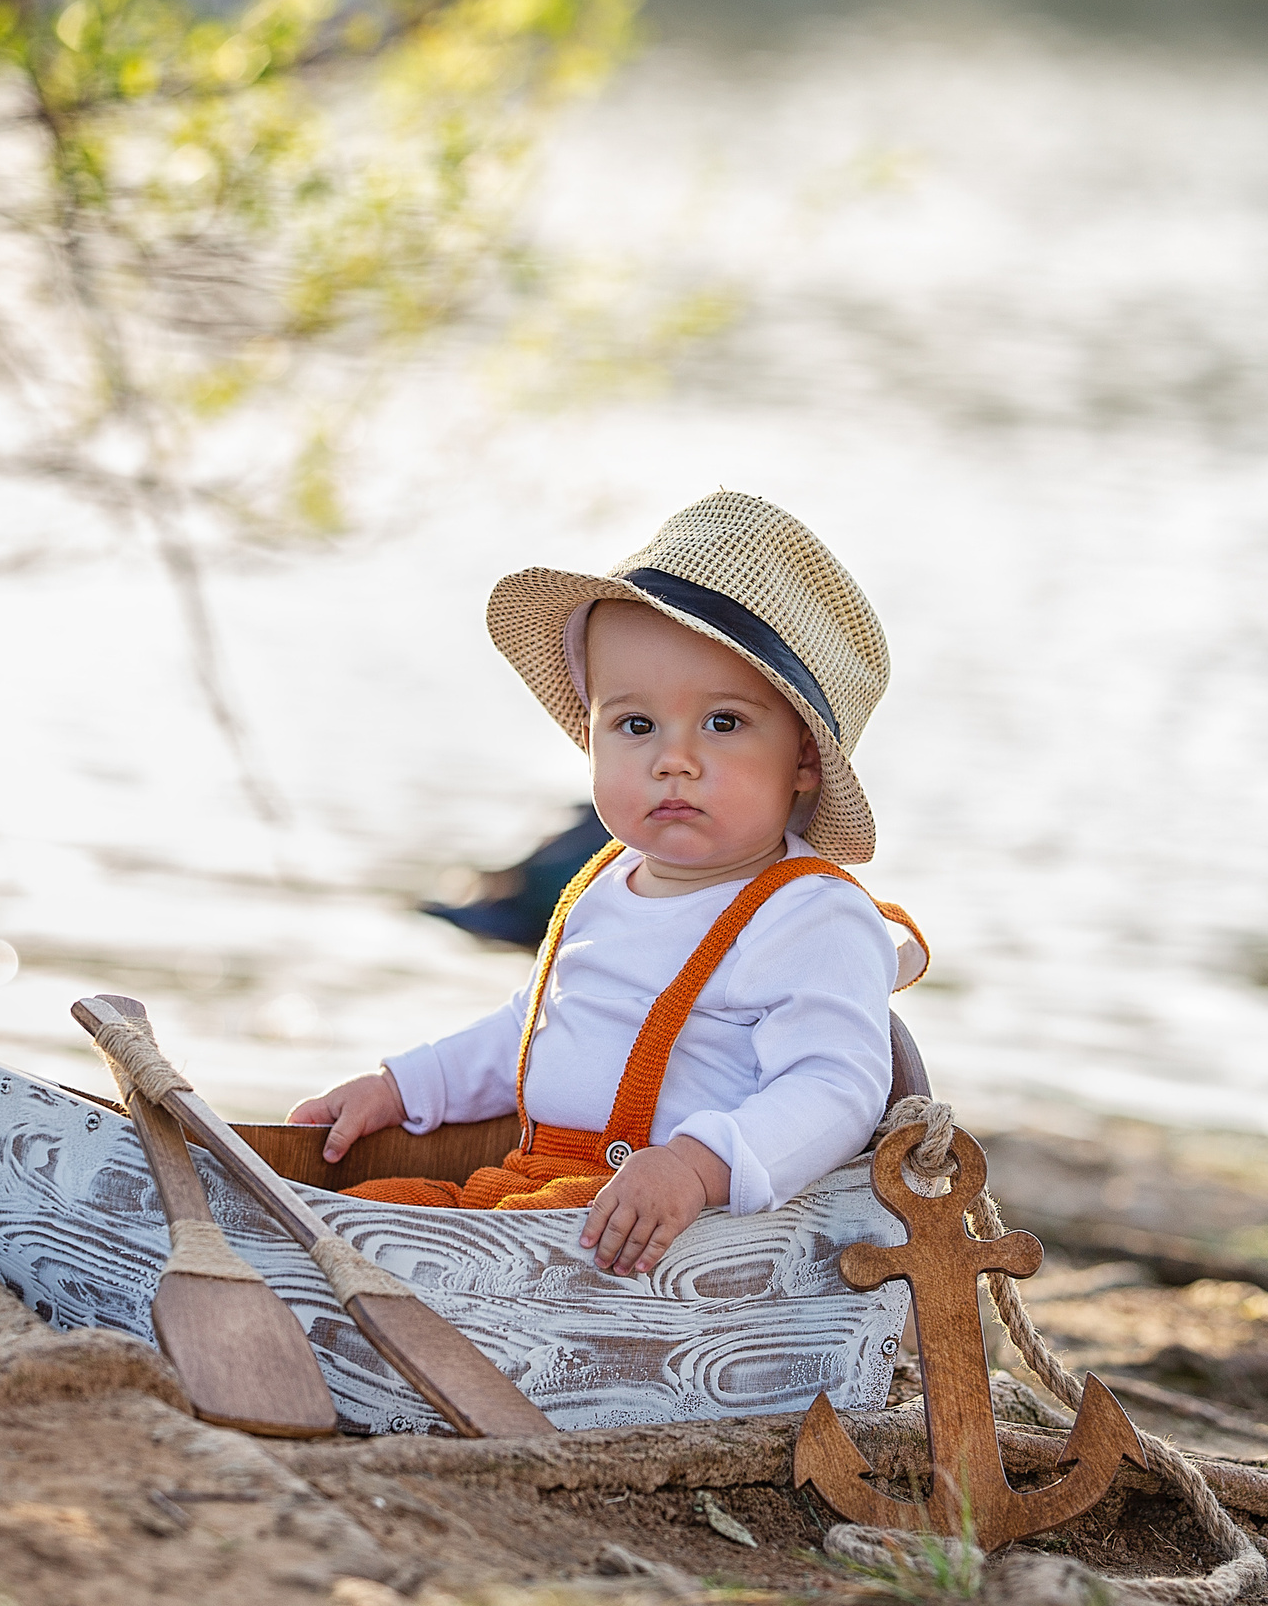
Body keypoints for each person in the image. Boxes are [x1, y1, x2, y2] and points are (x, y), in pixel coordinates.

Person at [289, 491, 926, 1277]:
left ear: (803, 759)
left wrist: (696, 1165)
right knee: (359, 1210)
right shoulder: (606, 880)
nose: (673, 759)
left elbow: (836, 1088)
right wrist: (399, 1087)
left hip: (657, 1238)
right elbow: (531, 1028)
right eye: (636, 724)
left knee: (390, 1252)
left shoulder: (811, 915)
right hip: (533, 1188)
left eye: (723, 722)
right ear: (592, 734)